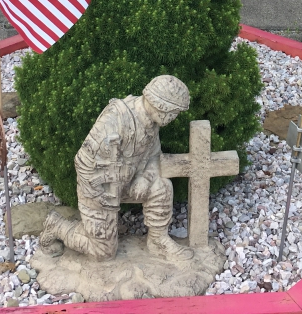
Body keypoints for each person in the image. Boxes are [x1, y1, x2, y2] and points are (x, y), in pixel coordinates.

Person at [39, 75, 195, 262]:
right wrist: (100, 195)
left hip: (128, 183)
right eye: (173, 112)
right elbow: (83, 161)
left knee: (161, 186)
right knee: (103, 253)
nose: (174, 117)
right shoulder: (116, 118)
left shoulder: (151, 124)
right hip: (99, 190)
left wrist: (144, 178)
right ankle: (57, 226)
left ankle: (158, 241)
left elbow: (154, 157)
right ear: (161, 108)